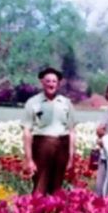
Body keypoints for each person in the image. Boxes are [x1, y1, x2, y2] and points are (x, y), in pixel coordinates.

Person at [21, 66, 76, 194]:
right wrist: (29, 159)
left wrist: (71, 157)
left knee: (57, 187)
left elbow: (72, 131)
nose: (51, 84)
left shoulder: (66, 103)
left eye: (54, 81)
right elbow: (27, 132)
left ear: (58, 83)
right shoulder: (33, 103)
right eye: (48, 81)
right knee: (40, 185)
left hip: (62, 145)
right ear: (42, 82)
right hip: (42, 146)